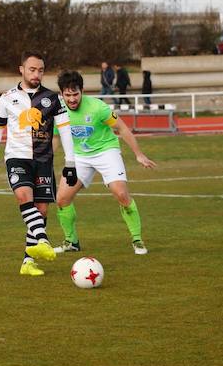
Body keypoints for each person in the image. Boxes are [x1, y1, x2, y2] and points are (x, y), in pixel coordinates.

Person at [0, 50, 78, 276]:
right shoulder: (7, 97)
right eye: (32, 69)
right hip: (17, 157)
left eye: (41, 70)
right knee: (24, 196)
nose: (37, 74)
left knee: (42, 210)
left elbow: (65, 131)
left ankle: (28, 263)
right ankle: (43, 241)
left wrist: (70, 163)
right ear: (22, 70)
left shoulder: (53, 98)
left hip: (44, 160)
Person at [53, 70, 157, 255]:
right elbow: (55, 137)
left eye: (75, 94)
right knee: (61, 199)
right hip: (78, 157)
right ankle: (71, 242)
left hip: (105, 151)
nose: (72, 99)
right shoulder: (57, 110)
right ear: (61, 94)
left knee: (121, 194)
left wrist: (138, 154)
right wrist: (45, 160)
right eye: (67, 95)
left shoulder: (97, 107)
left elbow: (122, 128)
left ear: (82, 91)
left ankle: (137, 240)